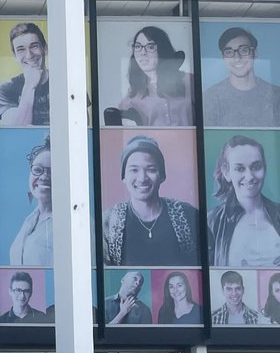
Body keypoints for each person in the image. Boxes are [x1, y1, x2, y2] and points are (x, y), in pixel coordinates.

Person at [103, 135, 198, 266]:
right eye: (134, 170)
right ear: (124, 176)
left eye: (151, 169)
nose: (142, 178)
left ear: (162, 175)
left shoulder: (188, 215)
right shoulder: (109, 220)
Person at [208, 135, 280, 268]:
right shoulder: (211, 221)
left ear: (265, 168)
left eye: (256, 167)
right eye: (240, 169)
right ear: (226, 173)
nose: (249, 176)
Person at [203, 26, 280, 128]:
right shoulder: (211, 97)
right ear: (223, 58)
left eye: (244, 50)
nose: (237, 58)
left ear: (255, 53)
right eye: (229, 52)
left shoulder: (276, 95)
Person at [116, 26, 193, 127]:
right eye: (138, 47)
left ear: (162, 50)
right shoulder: (132, 97)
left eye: (150, 47)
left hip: (190, 142)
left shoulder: (189, 81)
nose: (143, 53)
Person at [9, 136, 53, 266]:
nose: (44, 177)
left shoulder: (75, 222)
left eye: (52, 171)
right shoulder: (31, 219)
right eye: (38, 170)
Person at [0, 22, 49, 126]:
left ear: (45, 48)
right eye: (21, 50)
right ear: (15, 56)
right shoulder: (6, 88)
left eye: (34, 46)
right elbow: (19, 126)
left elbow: (82, 124)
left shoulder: (66, 83)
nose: (29, 55)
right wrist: (29, 85)